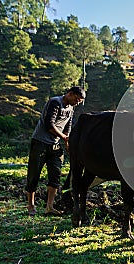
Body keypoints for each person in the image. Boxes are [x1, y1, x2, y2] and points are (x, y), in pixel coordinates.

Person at [25, 86, 86, 216]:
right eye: (76, 99)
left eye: (79, 101)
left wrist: (67, 140)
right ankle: (31, 206)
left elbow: (68, 125)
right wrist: (64, 137)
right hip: (40, 143)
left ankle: (50, 207)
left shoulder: (71, 108)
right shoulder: (55, 102)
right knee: (33, 174)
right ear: (69, 94)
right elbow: (49, 124)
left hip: (55, 145)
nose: (77, 102)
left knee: (55, 175)